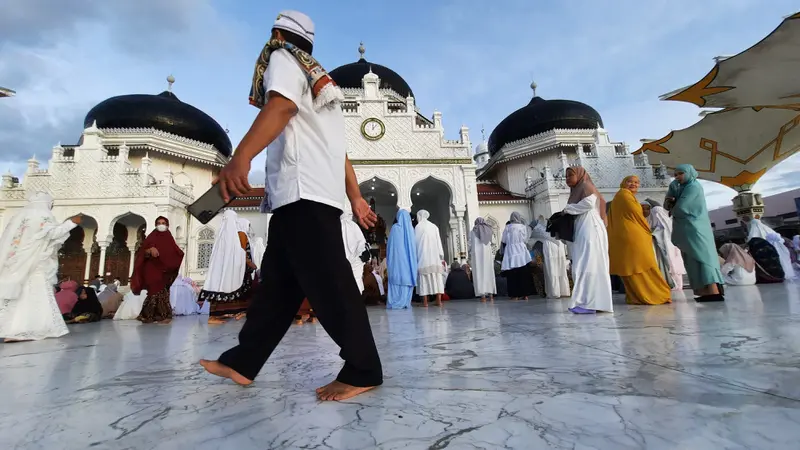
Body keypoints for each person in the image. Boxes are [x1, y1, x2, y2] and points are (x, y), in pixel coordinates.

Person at [200, 10, 383, 401]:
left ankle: (363, 369)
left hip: (304, 193)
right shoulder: (321, 84)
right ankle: (243, 361)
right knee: (278, 288)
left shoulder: (283, 58)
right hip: (301, 195)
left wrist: (241, 157)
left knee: (331, 285)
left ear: (278, 35)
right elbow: (340, 154)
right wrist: (353, 197)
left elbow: (279, 107)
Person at [0, 193, 79, 342]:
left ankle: (11, 330)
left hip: (18, 264)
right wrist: (71, 223)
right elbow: (51, 233)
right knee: (35, 295)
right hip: (36, 263)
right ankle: (29, 329)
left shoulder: (20, 216)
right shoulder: (43, 214)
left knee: (19, 296)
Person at [608, 175, 671, 305]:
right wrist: (647, 230)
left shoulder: (623, 196)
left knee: (636, 266)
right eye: (630, 182)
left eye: (636, 182)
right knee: (644, 265)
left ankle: (638, 295)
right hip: (633, 236)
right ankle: (656, 294)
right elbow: (637, 215)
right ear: (624, 183)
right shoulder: (625, 195)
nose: (633, 184)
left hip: (630, 235)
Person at [665, 164, 724, 302]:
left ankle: (714, 291)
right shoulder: (680, 187)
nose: (678, 177)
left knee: (704, 258)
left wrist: (673, 204)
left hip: (696, 228)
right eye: (675, 175)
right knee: (693, 260)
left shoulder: (693, 187)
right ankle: (703, 292)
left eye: (681, 173)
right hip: (686, 229)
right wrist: (672, 196)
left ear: (689, 173)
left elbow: (682, 208)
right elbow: (667, 204)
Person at [562, 167, 613, 313]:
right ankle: (588, 302)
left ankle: (590, 303)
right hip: (584, 226)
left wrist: (568, 209)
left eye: (570, 175)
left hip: (590, 227)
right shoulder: (577, 190)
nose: (567, 179)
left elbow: (589, 204)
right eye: (565, 176)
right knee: (584, 263)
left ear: (579, 175)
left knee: (589, 263)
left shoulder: (585, 186)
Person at [199, 210, 251, 324]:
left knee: (218, 288)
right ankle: (212, 317)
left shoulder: (221, 234)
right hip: (228, 270)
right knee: (222, 289)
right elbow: (239, 252)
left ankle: (217, 315)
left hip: (219, 270)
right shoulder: (233, 235)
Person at [130, 216, 185, 324]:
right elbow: (141, 253)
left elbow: (176, 252)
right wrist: (149, 250)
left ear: (167, 225)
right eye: (159, 223)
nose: (161, 225)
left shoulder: (169, 238)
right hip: (151, 269)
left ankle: (150, 315)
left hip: (165, 271)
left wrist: (171, 263)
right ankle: (160, 316)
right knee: (154, 290)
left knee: (162, 292)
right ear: (155, 225)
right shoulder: (151, 237)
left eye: (163, 223)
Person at [646, 202, 687, 291]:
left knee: (674, 269)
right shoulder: (657, 227)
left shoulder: (668, 227)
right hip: (663, 254)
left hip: (670, 252)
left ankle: (676, 286)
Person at [529, 221, 570, 298]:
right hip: (559, 246)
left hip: (549, 247)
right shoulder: (546, 229)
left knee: (551, 269)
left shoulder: (536, 230)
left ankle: (554, 292)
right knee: (561, 269)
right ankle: (564, 291)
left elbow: (529, 244)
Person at [387, 210, 418, 309]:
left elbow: (389, 248)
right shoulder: (410, 230)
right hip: (407, 263)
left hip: (396, 263)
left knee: (396, 279)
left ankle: (395, 301)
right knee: (406, 279)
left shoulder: (395, 228)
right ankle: (405, 302)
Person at [414, 210, 446, 307]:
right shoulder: (434, 226)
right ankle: (438, 301)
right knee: (437, 279)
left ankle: (425, 302)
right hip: (434, 257)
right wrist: (441, 254)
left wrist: (415, 256)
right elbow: (438, 241)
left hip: (423, 257)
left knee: (424, 279)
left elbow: (415, 243)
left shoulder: (418, 227)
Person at [501, 212, 534, 300]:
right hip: (521, 250)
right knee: (523, 272)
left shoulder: (508, 227)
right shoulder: (522, 227)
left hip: (511, 251)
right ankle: (525, 294)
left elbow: (503, 240)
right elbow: (525, 239)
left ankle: (514, 295)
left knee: (512, 274)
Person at [468, 217, 497, 302]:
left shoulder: (473, 231)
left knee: (480, 274)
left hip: (477, 257)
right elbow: (493, 242)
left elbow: (470, 244)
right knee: (488, 273)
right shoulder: (489, 230)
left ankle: (483, 296)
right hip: (487, 256)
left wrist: (469, 252)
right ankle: (491, 295)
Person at [342, 208, 368, 294]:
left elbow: (362, 245)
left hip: (353, 260)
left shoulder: (352, 226)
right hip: (350, 260)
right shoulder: (352, 226)